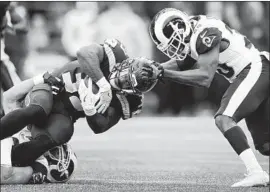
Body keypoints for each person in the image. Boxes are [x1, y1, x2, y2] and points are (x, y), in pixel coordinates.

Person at [143, 8, 269, 187]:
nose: (172, 49)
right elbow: (185, 61)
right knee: (266, 145)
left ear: (180, 29)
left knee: (224, 119)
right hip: (256, 72)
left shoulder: (204, 33)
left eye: (172, 43)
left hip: (255, 70)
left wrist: (163, 73)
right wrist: (154, 68)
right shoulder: (193, 29)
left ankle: (256, 173)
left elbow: (204, 77)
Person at [1, 39, 155, 170]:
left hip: (63, 112)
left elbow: (100, 126)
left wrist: (90, 110)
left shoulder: (127, 100)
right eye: (124, 75)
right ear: (126, 63)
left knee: (62, 133)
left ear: (130, 91)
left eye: (126, 83)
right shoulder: (114, 55)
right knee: (38, 110)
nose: (120, 79)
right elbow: (83, 53)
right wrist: (103, 84)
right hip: (52, 88)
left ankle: (12, 161)